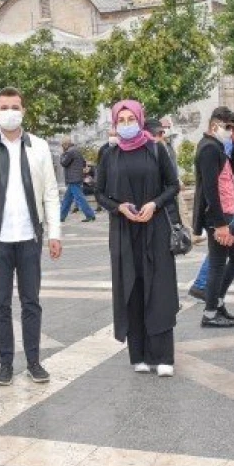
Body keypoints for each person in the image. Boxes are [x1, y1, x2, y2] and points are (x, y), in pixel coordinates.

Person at [0, 87, 62, 386]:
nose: (9, 112)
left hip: (30, 236)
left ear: (24, 110)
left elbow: (50, 192)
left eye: (15, 106)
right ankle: (5, 362)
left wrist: (54, 233)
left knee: (31, 301)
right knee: (0, 303)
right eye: (4, 107)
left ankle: (34, 361)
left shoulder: (39, 147)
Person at [96, 100, 181, 375]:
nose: (126, 124)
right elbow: (98, 193)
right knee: (131, 289)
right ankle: (139, 355)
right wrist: (118, 207)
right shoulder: (108, 154)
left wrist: (154, 204)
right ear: (114, 123)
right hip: (123, 230)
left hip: (155, 227)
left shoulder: (155, 149)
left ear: (140, 119)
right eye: (120, 120)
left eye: (130, 118)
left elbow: (173, 185)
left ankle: (164, 356)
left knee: (159, 288)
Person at [191, 107, 234, 328]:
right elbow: (210, 189)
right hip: (217, 217)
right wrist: (219, 223)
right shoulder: (209, 149)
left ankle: (217, 303)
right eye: (228, 127)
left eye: (233, 128)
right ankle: (211, 312)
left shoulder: (216, 146)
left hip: (225, 215)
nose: (230, 131)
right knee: (217, 264)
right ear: (215, 126)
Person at [59, 137, 96, 223]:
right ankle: (61, 216)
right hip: (77, 177)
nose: (62, 147)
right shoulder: (77, 150)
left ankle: (90, 215)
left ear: (65, 144)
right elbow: (83, 163)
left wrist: (62, 155)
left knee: (79, 198)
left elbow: (63, 163)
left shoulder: (69, 152)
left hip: (73, 179)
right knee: (67, 199)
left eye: (62, 145)